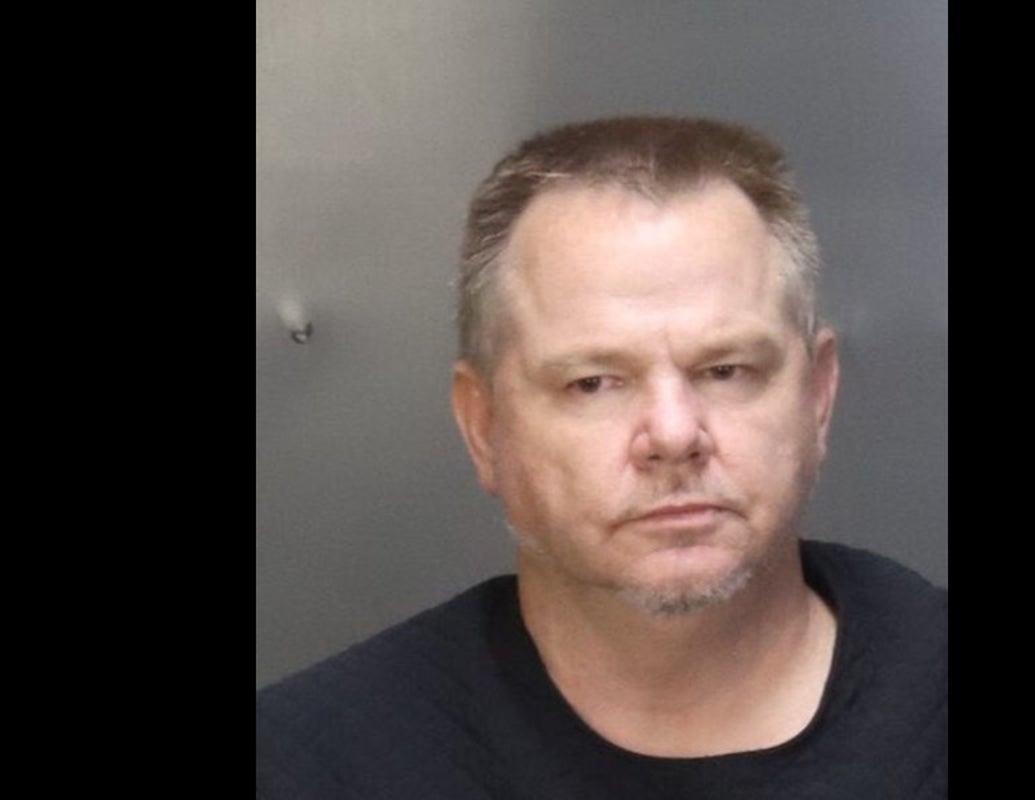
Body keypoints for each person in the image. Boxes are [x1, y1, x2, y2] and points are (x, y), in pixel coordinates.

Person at [256, 116, 947, 798]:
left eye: (726, 370)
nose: (674, 434)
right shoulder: (310, 766)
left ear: (818, 397)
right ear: (483, 426)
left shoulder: (926, 699)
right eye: (593, 382)